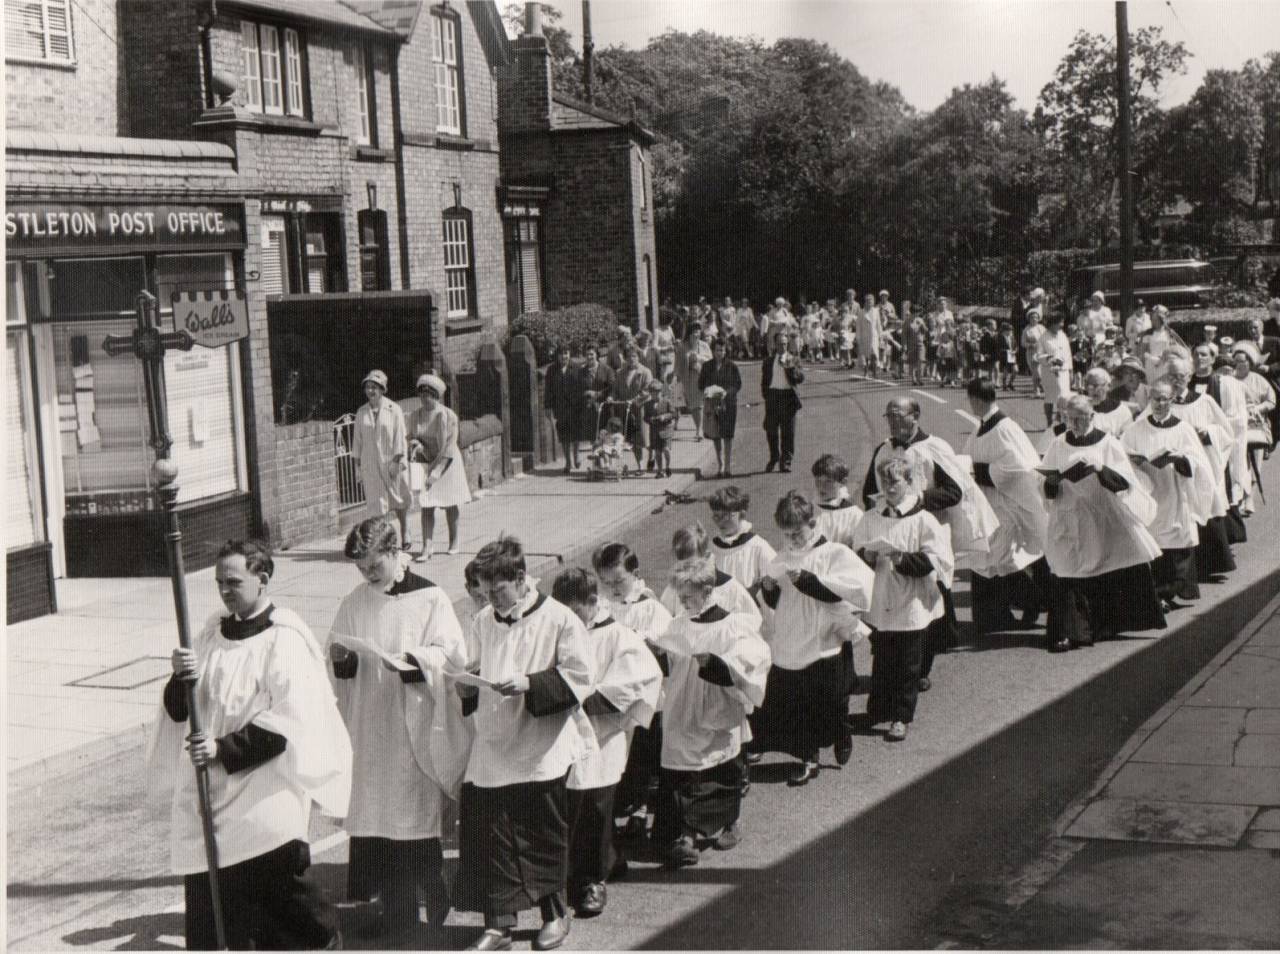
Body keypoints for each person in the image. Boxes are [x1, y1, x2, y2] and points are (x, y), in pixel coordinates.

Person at [149, 540, 352, 950]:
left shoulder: (286, 638)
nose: (225, 591)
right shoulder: (210, 633)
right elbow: (177, 711)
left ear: (263, 579)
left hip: (264, 788)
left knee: (285, 908)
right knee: (218, 910)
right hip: (213, 792)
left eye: (234, 582)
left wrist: (223, 749)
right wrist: (178, 678)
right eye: (219, 582)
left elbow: (290, 722)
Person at [328, 516, 468, 939]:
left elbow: (451, 655)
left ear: (394, 552)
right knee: (374, 819)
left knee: (409, 815)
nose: (368, 574)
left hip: (411, 720)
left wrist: (412, 660)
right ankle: (391, 909)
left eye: (374, 564)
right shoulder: (355, 601)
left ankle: (428, 901)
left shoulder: (430, 598)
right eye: (362, 568)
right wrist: (341, 658)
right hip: (370, 723)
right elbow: (340, 653)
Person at [453, 536, 594, 952]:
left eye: (497, 590)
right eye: (483, 591)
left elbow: (581, 676)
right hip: (494, 743)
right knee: (494, 833)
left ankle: (555, 913)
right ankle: (499, 924)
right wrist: (466, 688)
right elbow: (474, 666)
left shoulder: (559, 619)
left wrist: (530, 683)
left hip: (540, 744)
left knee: (541, 831)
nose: (490, 599)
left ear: (520, 578)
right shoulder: (483, 621)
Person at [861, 397, 999, 686]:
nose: (894, 422)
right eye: (889, 416)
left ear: (916, 416)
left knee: (928, 602)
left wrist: (921, 498)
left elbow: (954, 492)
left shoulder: (934, 448)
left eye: (899, 416)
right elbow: (868, 492)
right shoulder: (883, 450)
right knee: (889, 602)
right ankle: (893, 664)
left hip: (926, 532)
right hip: (892, 533)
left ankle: (920, 668)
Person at [551, 568, 662, 919]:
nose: (569, 619)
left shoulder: (618, 636)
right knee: (567, 806)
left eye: (575, 611)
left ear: (593, 602)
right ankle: (584, 867)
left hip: (602, 735)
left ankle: (592, 881)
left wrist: (576, 699)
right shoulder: (560, 631)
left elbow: (640, 679)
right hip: (561, 733)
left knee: (597, 807)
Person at [650, 557, 771, 868]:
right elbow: (668, 662)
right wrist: (657, 653)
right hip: (683, 705)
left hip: (717, 703)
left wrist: (717, 664)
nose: (683, 602)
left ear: (707, 590)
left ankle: (730, 821)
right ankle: (687, 836)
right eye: (680, 596)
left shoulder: (733, 626)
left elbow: (752, 661)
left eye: (688, 596)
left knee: (722, 769)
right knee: (683, 770)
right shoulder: (678, 625)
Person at [753, 492, 873, 780]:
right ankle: (808, 756)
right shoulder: (781, 558)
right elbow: (775, 604)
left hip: (825, 637)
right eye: (786, 535)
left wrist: (809, 581)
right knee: (800, 700)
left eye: (797, 533)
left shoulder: (833, 553)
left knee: (833, 697)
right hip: (793, 637)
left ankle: (842, 731)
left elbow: (853, 592)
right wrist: (770, 589)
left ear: (813, 522)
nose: (793, 540)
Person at [1040, 395, 1166, 651]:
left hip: (1103, 517)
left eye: (1080, 418)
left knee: (1109, 566)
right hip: (1069, 514)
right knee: (1067, 569)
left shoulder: (1108, 443)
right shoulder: (1058, 443)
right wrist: (1051, 482)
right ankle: (1068, 632)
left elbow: (1125, 482)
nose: (1074, 424)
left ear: (1092, 416)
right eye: (1069, 418)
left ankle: (1103, 625)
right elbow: (1044, 482)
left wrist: (1100, 469)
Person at [851, 455, 955, 742]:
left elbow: (937, 559)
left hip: (912, 600)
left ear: (909, 483)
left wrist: (901, 559)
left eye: (895, 480)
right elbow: (856, 554)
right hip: (882, 597)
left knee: (908, 664)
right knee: (882, 658)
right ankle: (878, 709)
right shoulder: (871, 518)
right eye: (885, 480)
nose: (889, 486)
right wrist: (867, 556)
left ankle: (901, 716)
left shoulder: (923, 520)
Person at [592, 542, 674, 844]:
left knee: (642, 754)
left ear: (635, 574)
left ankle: (641, 811)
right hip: (613, 693)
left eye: (619, 581)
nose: (613, 588)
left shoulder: (650, 607)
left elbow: (667, 647)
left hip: (645, 695)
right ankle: (619, 807)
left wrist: (647, 641)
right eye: (606, 582)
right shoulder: (602, 605)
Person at [963, 378, 1051, 636]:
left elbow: (1022, 467)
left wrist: (982, 471)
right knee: (991, 559)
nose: (970, 405)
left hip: (1007, 505)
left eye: (970, 400)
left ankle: (1026, 604)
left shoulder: (1004, 428)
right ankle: (1002, 614)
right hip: (989, 503)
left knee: (1001, 558)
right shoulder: (981, 427)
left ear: (977, 400)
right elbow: (969, 455)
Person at [1121, 379, 1218, 608]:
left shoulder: (1183, 429)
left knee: (1177, 546)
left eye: (1165, 399)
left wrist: (1181, 459)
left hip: (1175, 492)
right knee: (1152, 545)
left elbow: (1199, 463)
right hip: (1148, 494)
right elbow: (1123, 456)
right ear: (1149, 400)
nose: (1160, 403)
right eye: (1156, 398)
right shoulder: (1136, 428)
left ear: (1172, 401)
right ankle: (1157, 594)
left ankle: (1165, 593)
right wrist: (1136, 462)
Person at [408, 373, 472, 560]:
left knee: (450, 503)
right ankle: (427, 547)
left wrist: (436, 473)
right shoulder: (415, 415)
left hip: (448, 464)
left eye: (428, 395)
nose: (424, 399)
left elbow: (450, 447)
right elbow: (411, 435)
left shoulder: (448, 416)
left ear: (436, 396)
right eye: (421, 394)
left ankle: (454, 540)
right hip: (425, 462)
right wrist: (415, 443)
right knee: (426, 505)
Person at [352, 369, 411, 547]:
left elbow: (400, 438)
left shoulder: (394, 409)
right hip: (371, 465)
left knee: (399, 500)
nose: (371, 391)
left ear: (382, 389)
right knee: (377, 506)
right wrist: (357, 467)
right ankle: (385, 540)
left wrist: (396, 461)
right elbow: (357, 442)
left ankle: (406, 532)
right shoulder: (361, 412)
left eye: (375, 387)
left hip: (392, 463)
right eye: (368, 387)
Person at [659, 522, 763, 623]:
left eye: (690, 562)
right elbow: (662, 621)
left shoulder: (731, 589)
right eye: (681, 561)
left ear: (706, 556)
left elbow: (752, 622)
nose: (685, 569)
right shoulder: (674, 590)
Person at [707, 485, 778, 600]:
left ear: (742, 513)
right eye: (716, 516)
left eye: (726, 515)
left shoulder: (758, 546)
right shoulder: (711, 549)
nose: (720, 521)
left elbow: (775, 585)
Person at [762, 330, 805, 473]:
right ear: (775, 345)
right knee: (771, 429)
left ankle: (786, 462)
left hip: (788, 397)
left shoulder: (793, 359)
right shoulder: (768, 361)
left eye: (785, 344)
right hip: (773, 396)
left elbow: (800, 378)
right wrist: (767, 396)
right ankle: (774, 456)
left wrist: (790, 368)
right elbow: (764, 381)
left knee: (788, 432)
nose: (783, 348)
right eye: (780, 344)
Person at [699, 337, 743, 478]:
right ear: (713, 351)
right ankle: (720, 465)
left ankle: (728, 467)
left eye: (722, 350)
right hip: (712, 404)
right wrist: (710, 391)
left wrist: (725, 393)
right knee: (716, 435)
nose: (720, 353)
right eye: (717, 350)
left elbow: (737, 384)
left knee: (728, 435)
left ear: (726, 351)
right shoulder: (707, 366)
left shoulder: (732, 366)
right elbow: (701, 384)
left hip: (728, 404)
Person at [812, 453, 864, 549]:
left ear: (843, 482)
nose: (821, 487)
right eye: (818, 480)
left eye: (828, 481)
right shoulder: (808, 510)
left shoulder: (854, 515)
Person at [1035, 313, 1073, 429]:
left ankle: (1061, 421)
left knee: (1064, 396)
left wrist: (1071, 371)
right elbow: (1038, 355)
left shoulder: (1063, 335)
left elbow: (1068, 354)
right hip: (1049, 372)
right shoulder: (1043, 337)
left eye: (1062, 322)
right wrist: (1049, 358)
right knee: (1050, 397)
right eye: (1059, 323)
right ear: (1051, 324)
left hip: (1064, 371)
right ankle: (1049, 422)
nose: (1061, 325)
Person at [619, 347, 654, 471]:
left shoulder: (646, 372)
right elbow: (615, 389)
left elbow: (647, 390)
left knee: (645, 439)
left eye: (634, 356)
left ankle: (652, 455)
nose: (631, 359)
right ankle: (640, 466)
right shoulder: (621, 373)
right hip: (628, 411)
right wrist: (611, 396)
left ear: (639, 357)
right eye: (629, 356)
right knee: (634, 439)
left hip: (642, 409)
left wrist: (634, 400)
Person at [679, 325, 710, 440]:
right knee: (693, 405)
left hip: (701, 376)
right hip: (688, 378)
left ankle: (699, 430)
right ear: (689, 334)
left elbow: (710, 360)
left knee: (699, 404)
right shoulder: (683, 346)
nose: (696, 335)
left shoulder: (704, 345)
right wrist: (676, 375)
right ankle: (699, 427)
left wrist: (699, 357)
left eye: (698, 333)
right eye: (693, 333)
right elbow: (678, 362)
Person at [1082, 367, 1133, 437]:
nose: (1093, 390)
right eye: (1089, 386)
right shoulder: (1080, 410)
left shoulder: (1122, 411)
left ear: (1108, 386)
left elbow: (1127, 439)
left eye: (1097, 386)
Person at [642, 379, 677, 478]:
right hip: (654, 430)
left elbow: (674, 414)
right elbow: (645, 417)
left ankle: (668, 466)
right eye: (652, 393)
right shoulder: (647, 404)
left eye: (657, 392)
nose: (655, 395)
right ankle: (660, 470)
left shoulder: (667, 401)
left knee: (666, 449)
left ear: (661, 392)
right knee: (657, 451)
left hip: (666, 429)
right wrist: (650, 419)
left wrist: (665, 417)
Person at [1020, 309, 1046, 400]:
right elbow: (1023, 343)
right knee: (1036, 373)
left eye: (1036, 317)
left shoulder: (1042, 328)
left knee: (1043, 372)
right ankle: (1036, 391)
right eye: (1032, 317)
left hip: (1042, 352)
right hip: (1032, 353)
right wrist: (1030, 345)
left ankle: (1043, 388)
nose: (1034, 319)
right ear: (1029, 319)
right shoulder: (1026, 330)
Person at [857, 293, 882, 378]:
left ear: (873, 302)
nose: (869, 303)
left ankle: (875, 372)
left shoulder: (876, 311)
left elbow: (878, 324)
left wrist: (880, 335)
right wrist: (858, 337)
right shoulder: (861, 312)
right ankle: (866, 371)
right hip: (864, 336)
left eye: (871, 301)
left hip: (874, 336)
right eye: (867, 301)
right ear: (865, 302)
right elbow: (858, 326)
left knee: (874, 354)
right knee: (866, 355)